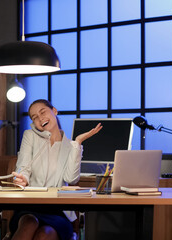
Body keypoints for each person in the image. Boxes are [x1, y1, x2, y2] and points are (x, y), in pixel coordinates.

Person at [5, 99, 103, 240]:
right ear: (33, 123)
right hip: (30, 206)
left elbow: (71, 179)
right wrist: (22, 179)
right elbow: (23, 167)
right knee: (30, 223)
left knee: (45, 233)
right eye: (34, 117)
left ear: (54, 111)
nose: (40, 118)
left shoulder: (70, 146)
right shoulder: (30, 136)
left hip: (57, 210)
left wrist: (78, 143)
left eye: (43, 112)